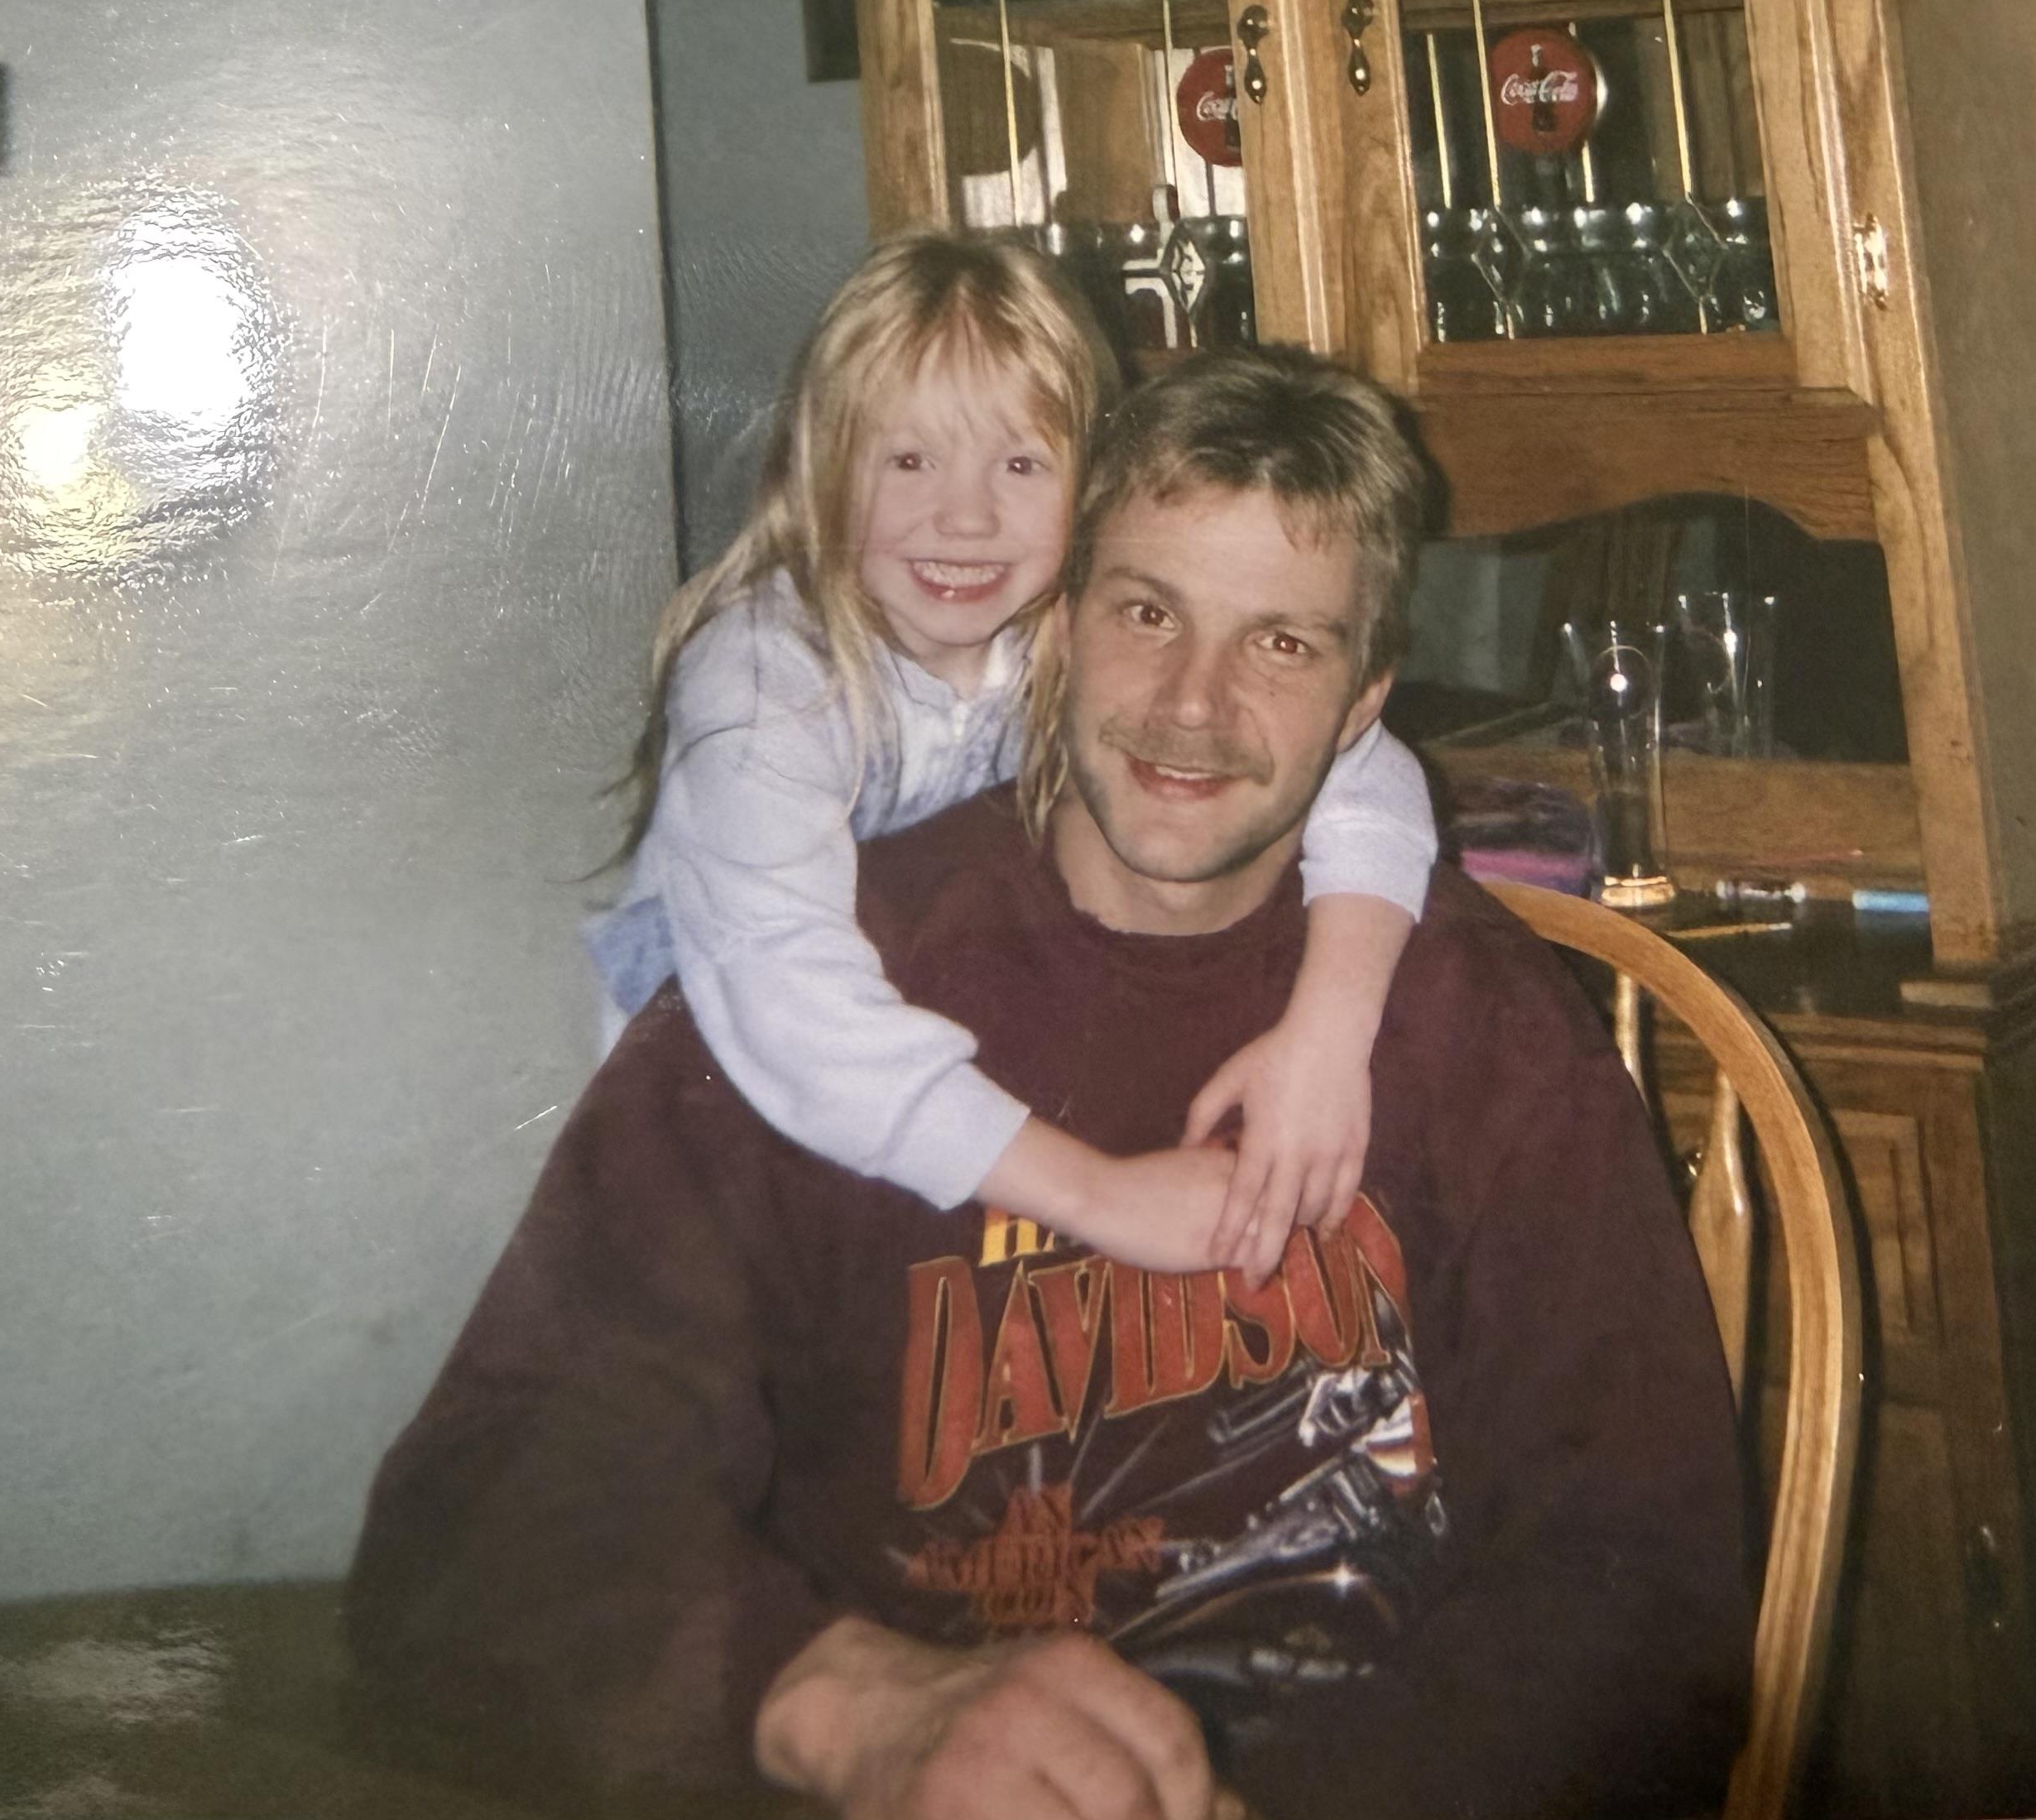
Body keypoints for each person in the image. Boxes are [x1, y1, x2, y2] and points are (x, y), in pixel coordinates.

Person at [349, 348, 1752, 1820]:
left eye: (1281, 644)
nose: (1192, 704)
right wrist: (856, 1703)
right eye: (1148, 610)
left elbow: (1638, 1582)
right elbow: (488, 1510)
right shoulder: (820, 991)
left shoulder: (1481, 1024)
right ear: (1058, 625)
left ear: (1362, 708)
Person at [585, 233, 1438, 1282]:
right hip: (718, 1127)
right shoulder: (766, 681)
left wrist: (1326, 1036)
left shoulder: (1052, 628)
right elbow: (785, 1001)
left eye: (1022, 462)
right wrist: (1096, 1193)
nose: (966, 515)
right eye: (909, 459)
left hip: (933, 1106)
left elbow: (1365, 765)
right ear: (819, 470)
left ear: (1087, 486)